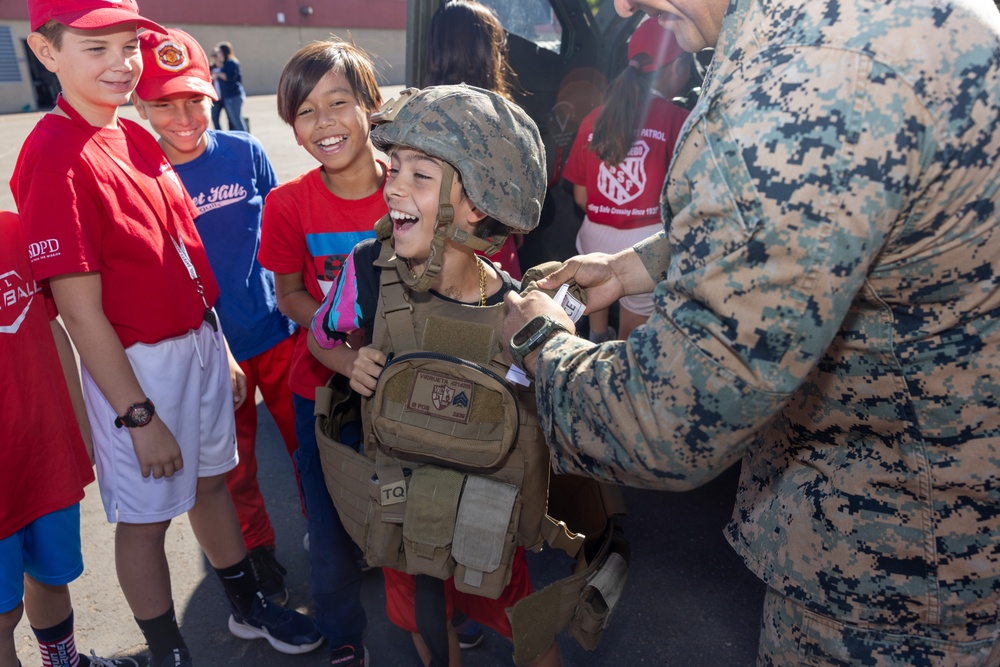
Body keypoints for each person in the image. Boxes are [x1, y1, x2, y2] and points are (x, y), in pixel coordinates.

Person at [502, 0, 1000, 664]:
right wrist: (637, 264)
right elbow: (815, 226)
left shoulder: (799, 84)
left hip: (888, 579)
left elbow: (675, 415)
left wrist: (543, 345)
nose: (623, 6)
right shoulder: (875, 25)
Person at [12, 2, 323, 666]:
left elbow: (182, 254)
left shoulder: (132, 136)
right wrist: (137, 414)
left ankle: (247, 606)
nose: (121, 64)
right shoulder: (52, 154)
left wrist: (215, 341)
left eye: (128, 46)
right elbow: (80, 310)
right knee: (146, 521)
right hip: (137, 368)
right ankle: (169, 651)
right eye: (95, 49)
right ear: (45, 52)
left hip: (200, 346)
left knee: (214, 481)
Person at [308, 84, 562, 667]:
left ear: (476, 204)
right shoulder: (366, 272)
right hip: (400, 509)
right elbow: (320, 335)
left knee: (521, 620)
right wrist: (349, 361)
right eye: (394, 168)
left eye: (421, 175)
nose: (393, 184)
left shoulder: (518, 309)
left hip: (486, 513)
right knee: (424, 619)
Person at [131, 27, 300, 605]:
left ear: (213, 94)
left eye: (193, 100)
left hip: (277, 333)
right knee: (237, 469)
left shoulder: (246, 153)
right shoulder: (144, 179)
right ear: (140, 104)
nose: (182, 117)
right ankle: (258, 553)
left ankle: (337, 535)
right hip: (210, 353)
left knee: (311, 446)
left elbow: (281, 241)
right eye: (163, 103)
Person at [257, 38, 387, 667]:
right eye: (305, 111)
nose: (324, 122)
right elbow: (288, 295)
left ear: (371, 106)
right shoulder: (287, 205)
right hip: (324, 395)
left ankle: (442, 614)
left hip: (411, 391)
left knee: (419, 509)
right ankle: (343, 634)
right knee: (332, 530)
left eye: (339, 102)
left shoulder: (416, 184)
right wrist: (339, 342)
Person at [0, 211, 145, 667]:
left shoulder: (15, 231)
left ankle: (64, 662)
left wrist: (81, 427)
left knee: (51, 575)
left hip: (42, 453)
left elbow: (50, 326)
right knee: (3, 614)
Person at [562, 17, 690, 343]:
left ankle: (597, 334)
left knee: (597, 278)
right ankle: (619, 353)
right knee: (634, 329)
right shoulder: (680, 121)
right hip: (644, 246)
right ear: (677, 68)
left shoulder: (594, 118)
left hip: (593, 238)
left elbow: (580, 197)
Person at [424, 0, 524, 280]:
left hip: (434, 245)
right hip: (491, 245)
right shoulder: (504, 116)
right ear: (486, 53)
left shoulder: (420, 112)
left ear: (435, 51)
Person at [211, 41, 246, 132]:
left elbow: (230, 78)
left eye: (219, 52)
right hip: (227, 97)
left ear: (224, 51)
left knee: (236, 121)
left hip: (233, 96)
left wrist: (218, 74)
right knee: (232, 121)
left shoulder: (231, 63)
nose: (217, 54)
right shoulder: (225, 63)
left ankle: (245, 141)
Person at [208, 47, 225, 131]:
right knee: (215, 120)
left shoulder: (226, 66)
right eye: (213, 55)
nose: (214, 57)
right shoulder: (210, 68)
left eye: (216, 55)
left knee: (233, 120)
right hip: (215, 99)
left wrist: (219, 75)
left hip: (226, 97)